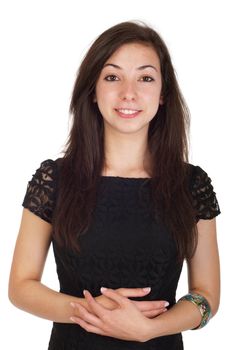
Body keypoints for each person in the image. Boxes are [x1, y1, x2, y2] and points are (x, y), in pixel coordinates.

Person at [8, 20, 221, 349]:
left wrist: (149, 329)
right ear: (93, 90)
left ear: (163, 94)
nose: (129, 93)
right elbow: (20, 287)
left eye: (145, 78)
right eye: (112, 76)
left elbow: (207, 298)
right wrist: (91, 310)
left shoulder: (192, 185)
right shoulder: (54, 180)